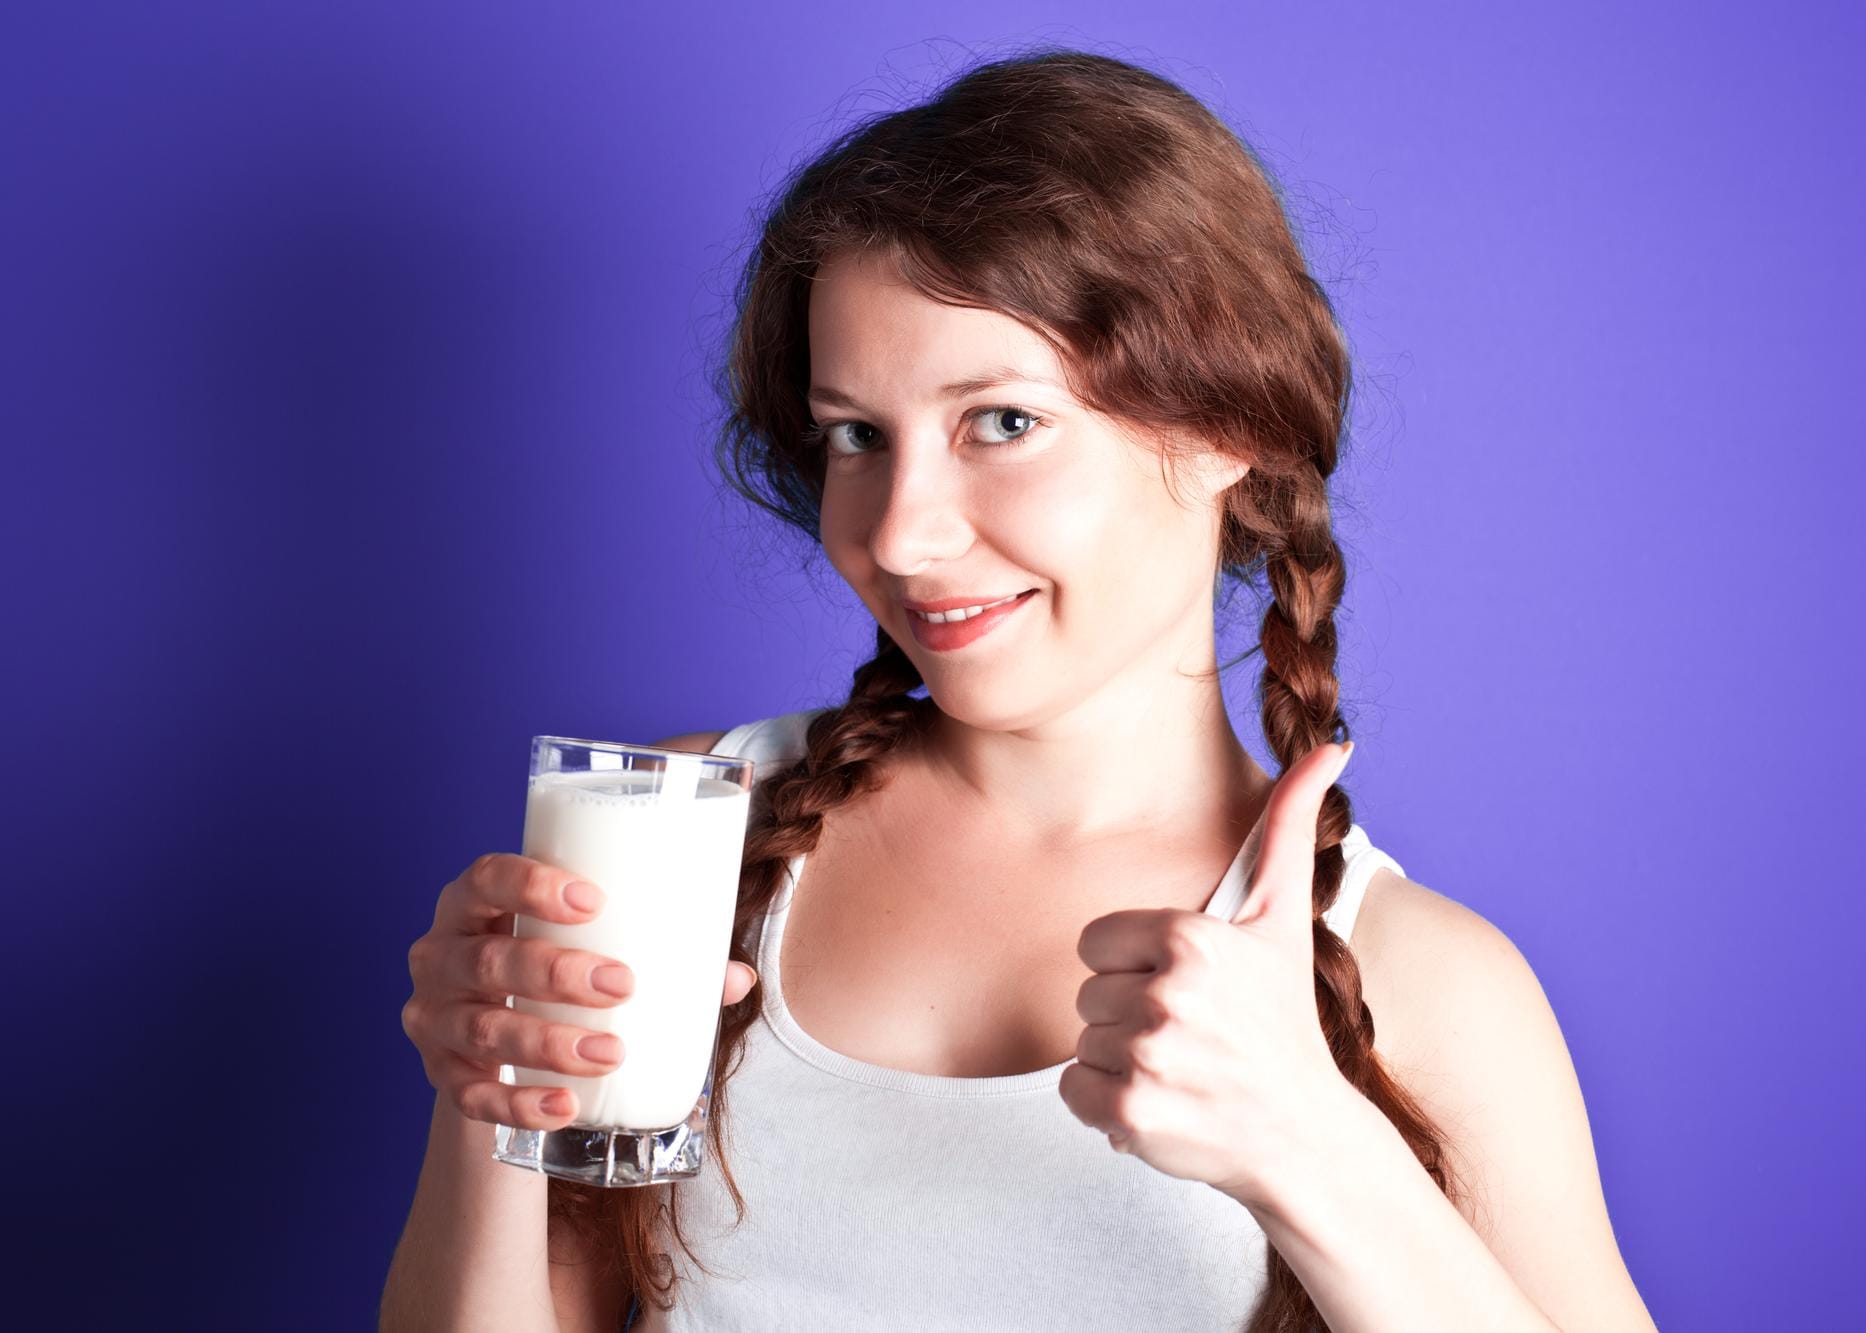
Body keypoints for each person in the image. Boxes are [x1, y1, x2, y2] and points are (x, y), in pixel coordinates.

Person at [382, 48, 1657, 1333]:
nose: (900, 535)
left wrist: (1311, 1146)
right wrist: (488, 1096)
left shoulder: (1426, 981)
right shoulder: (683, 841)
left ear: (1227, 424)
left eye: (999, 421)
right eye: (855, 435)